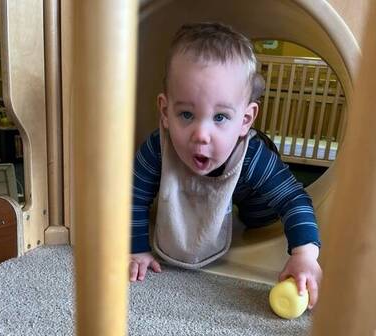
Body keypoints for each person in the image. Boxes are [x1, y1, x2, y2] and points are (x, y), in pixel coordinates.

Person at [129, 22, 322, 309]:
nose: (201, 135)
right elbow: (133, 195)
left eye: (220, 117)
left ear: (246, 120)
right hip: (208, 181)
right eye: (185, 114)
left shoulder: (254, 157)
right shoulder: (157, 148)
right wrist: (137, 249)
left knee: (259, 216)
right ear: (165, 111)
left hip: (250, 191)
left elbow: (294, 200)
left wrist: (305, 254)